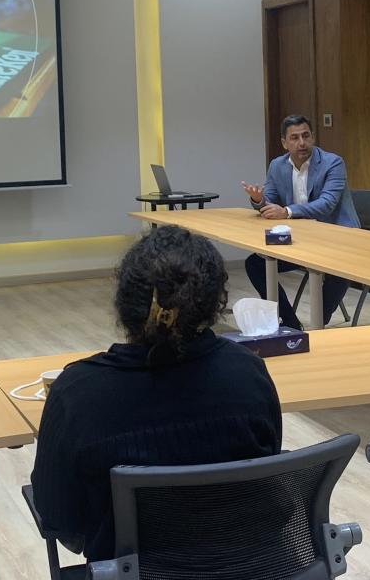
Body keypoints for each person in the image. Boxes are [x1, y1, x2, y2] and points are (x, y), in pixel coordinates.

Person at [32, 225, 283, 562]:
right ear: (215, 302)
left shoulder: (77, 394)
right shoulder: (247, 372)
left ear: (123, 302)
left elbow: (60, 520)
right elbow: (265, 466)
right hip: (250, 567)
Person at [240, 114, 360, 329]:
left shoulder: (333, 163)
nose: (302, 143)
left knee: (338, 272)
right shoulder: (277, 166)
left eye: (306, 136)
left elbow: (326, 204)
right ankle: (291, 324)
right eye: (294, 138)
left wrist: (286, 211)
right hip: (301, 240)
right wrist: (258, 200)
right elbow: (272, 204)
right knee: (255, 264)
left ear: (313, 137)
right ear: (284, 143)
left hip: (338, 238)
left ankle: (317, 325)